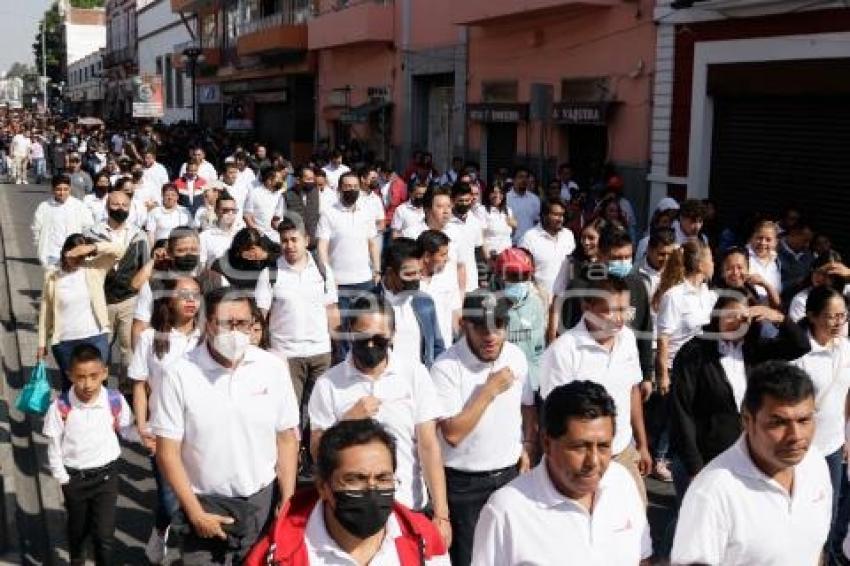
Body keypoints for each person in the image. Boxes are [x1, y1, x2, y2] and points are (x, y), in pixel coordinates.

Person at [151, 287, 301, 565]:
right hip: (205, 505)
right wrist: (195, 513)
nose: (235, 332)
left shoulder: (273, 367)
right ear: (208, 324)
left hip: (261, 504)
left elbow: (286, 438)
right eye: (226, 324)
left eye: (242, 324)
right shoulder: (178, 374)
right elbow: (167, 452)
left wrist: (288, 498)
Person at [307, 295, 452, 547]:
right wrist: (347, 422)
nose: (372, 345)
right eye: (364, 338)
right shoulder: (328, 384)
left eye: (380, 339)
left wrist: (441, 514)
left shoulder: (414, 374)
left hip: (408, 506)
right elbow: (317, 452)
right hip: (352, 513)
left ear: (393, 335)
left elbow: (428, 445)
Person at [471, 380, 652, 565]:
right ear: (547, 444)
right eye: (580, 447)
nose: (594, 461)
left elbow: (642, 558)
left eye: (604, 446)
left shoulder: (622, 482)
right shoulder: (505, 511)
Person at [670, 361, 831, 565]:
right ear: (747, 420)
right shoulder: (712, 492)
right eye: (778, 423)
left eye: (804, 420)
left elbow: (815, 551)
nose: (796, 436)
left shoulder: (816, 464)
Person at [245, 419, 450, 566]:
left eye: (383, 478)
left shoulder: (425, 541)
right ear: (323, 487)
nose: (372, 490)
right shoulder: (276, 555)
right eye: (355, 480)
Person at [430, 291, 537, 566]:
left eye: (498, 325)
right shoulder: (445, 368)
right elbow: (452, 434)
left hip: (511, 476)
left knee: (514, 555)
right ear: (464, 324)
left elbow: (527, 406)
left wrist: (527, 445)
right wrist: (488, 390)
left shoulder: (515, 356)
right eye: (481, 327)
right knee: (472, 559)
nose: (490, 335)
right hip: (465, 486)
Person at [670, 294, 809, 497]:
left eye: (743, 318)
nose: (735, 323)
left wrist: (778, 318)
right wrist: (694, 465)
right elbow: (681, 410)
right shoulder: (695, 352)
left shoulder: (754, 350)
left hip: (746, 454)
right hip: (707, 455)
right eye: (729, 316)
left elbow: (800, 346)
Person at [540, 277, 652, 501]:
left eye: (625, 310)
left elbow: (632, 391)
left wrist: (642, 444)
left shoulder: (628, 338)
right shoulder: (563, 351)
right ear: (587, 307)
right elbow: (553, 415)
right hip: (582, 462)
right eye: (611, 311)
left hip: (623, 453)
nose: (620, 320)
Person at [255, 217, 339, 474]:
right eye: (284, 241)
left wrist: (336, 347)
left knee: (319, 412)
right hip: (285, 355)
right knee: (289, 414)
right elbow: (261, 315)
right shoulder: (270, 273)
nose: (289, 245)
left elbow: (332, 310)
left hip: (320, 352)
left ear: (306, 241)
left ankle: (316, 463)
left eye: (294, 240)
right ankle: (289, 462)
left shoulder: (323, 271)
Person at [129, 276, 202, 564]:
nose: (190, 301)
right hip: (163, 432)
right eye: (183, 294)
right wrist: (142, 426)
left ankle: (188, 550)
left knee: (196, 494)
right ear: (168, 300)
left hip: (199, 432)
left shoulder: (206, 337)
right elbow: (138, 385)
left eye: (195, 295)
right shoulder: (150, 338)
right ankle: (161, 533)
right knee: (170, 499)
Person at [43, 344, 135, 566]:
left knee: (104, 535)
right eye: (81, 377)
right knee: (78, 530)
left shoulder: (114, 400)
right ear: (70, 375)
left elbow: (126, 429)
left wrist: (145, 436)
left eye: (94, 376)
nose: (88, 384)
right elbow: (54, 446)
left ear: (104, 373)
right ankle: (77, 559)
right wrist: (63, 479)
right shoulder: (60, 407)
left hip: (106, 477)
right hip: (76, 479)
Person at [791, 286, 850, 561]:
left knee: (830, 512)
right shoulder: (799, 353)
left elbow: (846, 395)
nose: (839, 322)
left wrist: (846, 437)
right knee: (800, 512)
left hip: (833, 446)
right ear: (812, 316)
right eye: (831, 316)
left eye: (843, 316)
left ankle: (822, 558)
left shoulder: (846, 348)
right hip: (800, 451)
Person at [85, 187, 151, 393]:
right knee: (99, 350)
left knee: (129, 351)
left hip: (129, 301)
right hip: (100, 301)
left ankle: (127, 397)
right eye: (116, 204)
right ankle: (98, 392)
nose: (120, 208)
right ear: (107, 206)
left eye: (125, 205)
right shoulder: (91, 233)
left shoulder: (138, 235)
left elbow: (145, 266)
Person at [37, 235, 122, 390]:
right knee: (71, 388)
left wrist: (92, 248)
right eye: (75, 255)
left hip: (96, 337)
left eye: (82, 256)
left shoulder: (94, 268)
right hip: (65, 342)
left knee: (97, 386)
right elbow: (46, 312)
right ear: (65, 252)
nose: (79, 260)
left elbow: (119, 251)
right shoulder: (52, 277)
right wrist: (42, 343)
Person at [316, 171, 381, 349]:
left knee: (365, 327)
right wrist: (328, 275)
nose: (351, 190)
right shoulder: (328, 214)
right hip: (339, 283)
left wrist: (377, 269)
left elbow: (372, 243)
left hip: (365, 281)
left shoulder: (366, 212)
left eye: (354, 187)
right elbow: (322, 247)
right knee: (343, 331)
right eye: (347, 187)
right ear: (339, 189)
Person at [654, 239, 716, 396]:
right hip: (677, 370)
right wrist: (663, 376)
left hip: (701, 368)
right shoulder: (674, 296)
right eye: (711, 259)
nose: (714, 263)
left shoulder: (709, 295)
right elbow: (663, 339)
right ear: (700, 265)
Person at [376, 238, 446, 368]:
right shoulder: (368, 305)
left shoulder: (424, 303)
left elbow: (437, 347)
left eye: (419, 272)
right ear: (391, 273)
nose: (417, 279)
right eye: (410, 274)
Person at [492, 248, 546, 392]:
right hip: (500, 384)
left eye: (524, 275)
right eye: (513, 276)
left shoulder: (536, 303)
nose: (519, 281)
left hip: (531, 382)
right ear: (499, 276)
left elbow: (538, 348)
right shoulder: (488, 306)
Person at [32, 174, 95, 268]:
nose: (62, 193)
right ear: (53, 189)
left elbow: (88, 227)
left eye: (65, 189)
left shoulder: (79, 206)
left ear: (70, 189)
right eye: (58, 189)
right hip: (51, 254)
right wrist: (40, 246)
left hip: (74, 253)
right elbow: (36, 229)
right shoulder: (44, 206)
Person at [519, 198, 576, 301]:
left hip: (566, 300)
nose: (560, 219)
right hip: (540, 301)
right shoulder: (529, 238)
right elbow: (523, 274)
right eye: (556, 215)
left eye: (562, 215)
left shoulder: (568, 235)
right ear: (544, 215)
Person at [418, 229, 462, 346]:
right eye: (443, 254)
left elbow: (456, 312)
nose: (447, 259)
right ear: (427, 256)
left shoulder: (449, 278)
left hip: (444, 348)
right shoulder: (409, 282)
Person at [198, 190, 240, 269]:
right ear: (216, 211)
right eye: (225, 210)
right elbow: (201, 266)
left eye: (233, 210)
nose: (230, 213)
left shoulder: (242, 234)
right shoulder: (205, 237)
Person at [244, 167, 286, 243]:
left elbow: (276, 220)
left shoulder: (279, 196)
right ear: (269, 180)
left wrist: (283, 230)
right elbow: (247, 216)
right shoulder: (254, 193)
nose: (281, 181)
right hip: (257, 235)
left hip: (272, 235)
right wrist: (257, 232)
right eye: (278, 179)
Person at [284, 166, 322, 250]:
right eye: (308, 179)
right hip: (296, 244)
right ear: (298, 180)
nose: (311, 182)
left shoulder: (317, 193)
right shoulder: (287, 195)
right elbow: (280, 219)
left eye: (312, 179)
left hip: (315, 243)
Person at [747, 220, 783, 304]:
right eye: (759, 238)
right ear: (752, 237)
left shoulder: (777, 261)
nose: (763, 243)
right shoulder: (743, 256)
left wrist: (765, 284)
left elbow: (777, 297)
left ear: (775, 242)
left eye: (768, 240)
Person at [146, 183, 192, 248]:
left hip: (181, 248)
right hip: (161, 248)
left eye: (173, 195)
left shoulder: (185, 212)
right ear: (162, 196)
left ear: (177, 197)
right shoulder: (155, 212)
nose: (170, 197)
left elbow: (191, 232)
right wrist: (152, 251)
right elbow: (150, 234)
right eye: (167, 195)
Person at [477, 182, 516, 259]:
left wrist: (514, 226)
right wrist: (487, 258)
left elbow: (511, 234)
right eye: (494, 192)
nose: (497, 195)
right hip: (491, 256)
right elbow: (480, 237)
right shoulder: (482, 210)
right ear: (488, 194)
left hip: (508, 257)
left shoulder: (508, 210)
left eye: (500, 192)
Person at [779, 223, 815, 304]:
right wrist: (794, 283)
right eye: (805, 240)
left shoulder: (808, 255)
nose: (807, 245)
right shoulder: (773, 251)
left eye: (810, 241)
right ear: (793, 234)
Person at [506, 166, 540, 244]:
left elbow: (536, 222)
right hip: (511, 243)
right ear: (514, 180)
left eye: (526, 177)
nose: (524, 180)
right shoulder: (506, 198)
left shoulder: (535, 199)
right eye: (520, 177)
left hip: (530, 243)